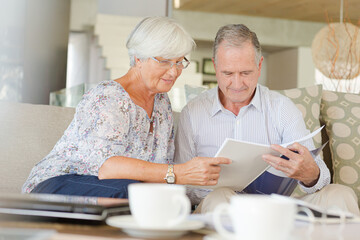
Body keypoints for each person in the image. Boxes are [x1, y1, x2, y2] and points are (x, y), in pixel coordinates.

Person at [22, 16, 230, 198]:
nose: (174, 72)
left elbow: (155, 171)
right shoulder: (108, 97)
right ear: (138, 58)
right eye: (164, 61)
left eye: (179, 62)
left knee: (163, 196)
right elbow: (107, 167)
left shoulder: (161, 103)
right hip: (57, 183)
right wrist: (177, 173)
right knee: (131, 193)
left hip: (116, 187)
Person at [174, 24, 359, 215]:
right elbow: (181, 186)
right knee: (220, 197)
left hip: (275, 207)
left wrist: (310, 173)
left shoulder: (282, 108)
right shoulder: (193, 112)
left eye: (246, 73)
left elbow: (319, 175)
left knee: (340, 194)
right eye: (228, 73)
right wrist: (205, 181)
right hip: (220, 206)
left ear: (259, 65)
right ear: (215, 66)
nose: (237, 84)